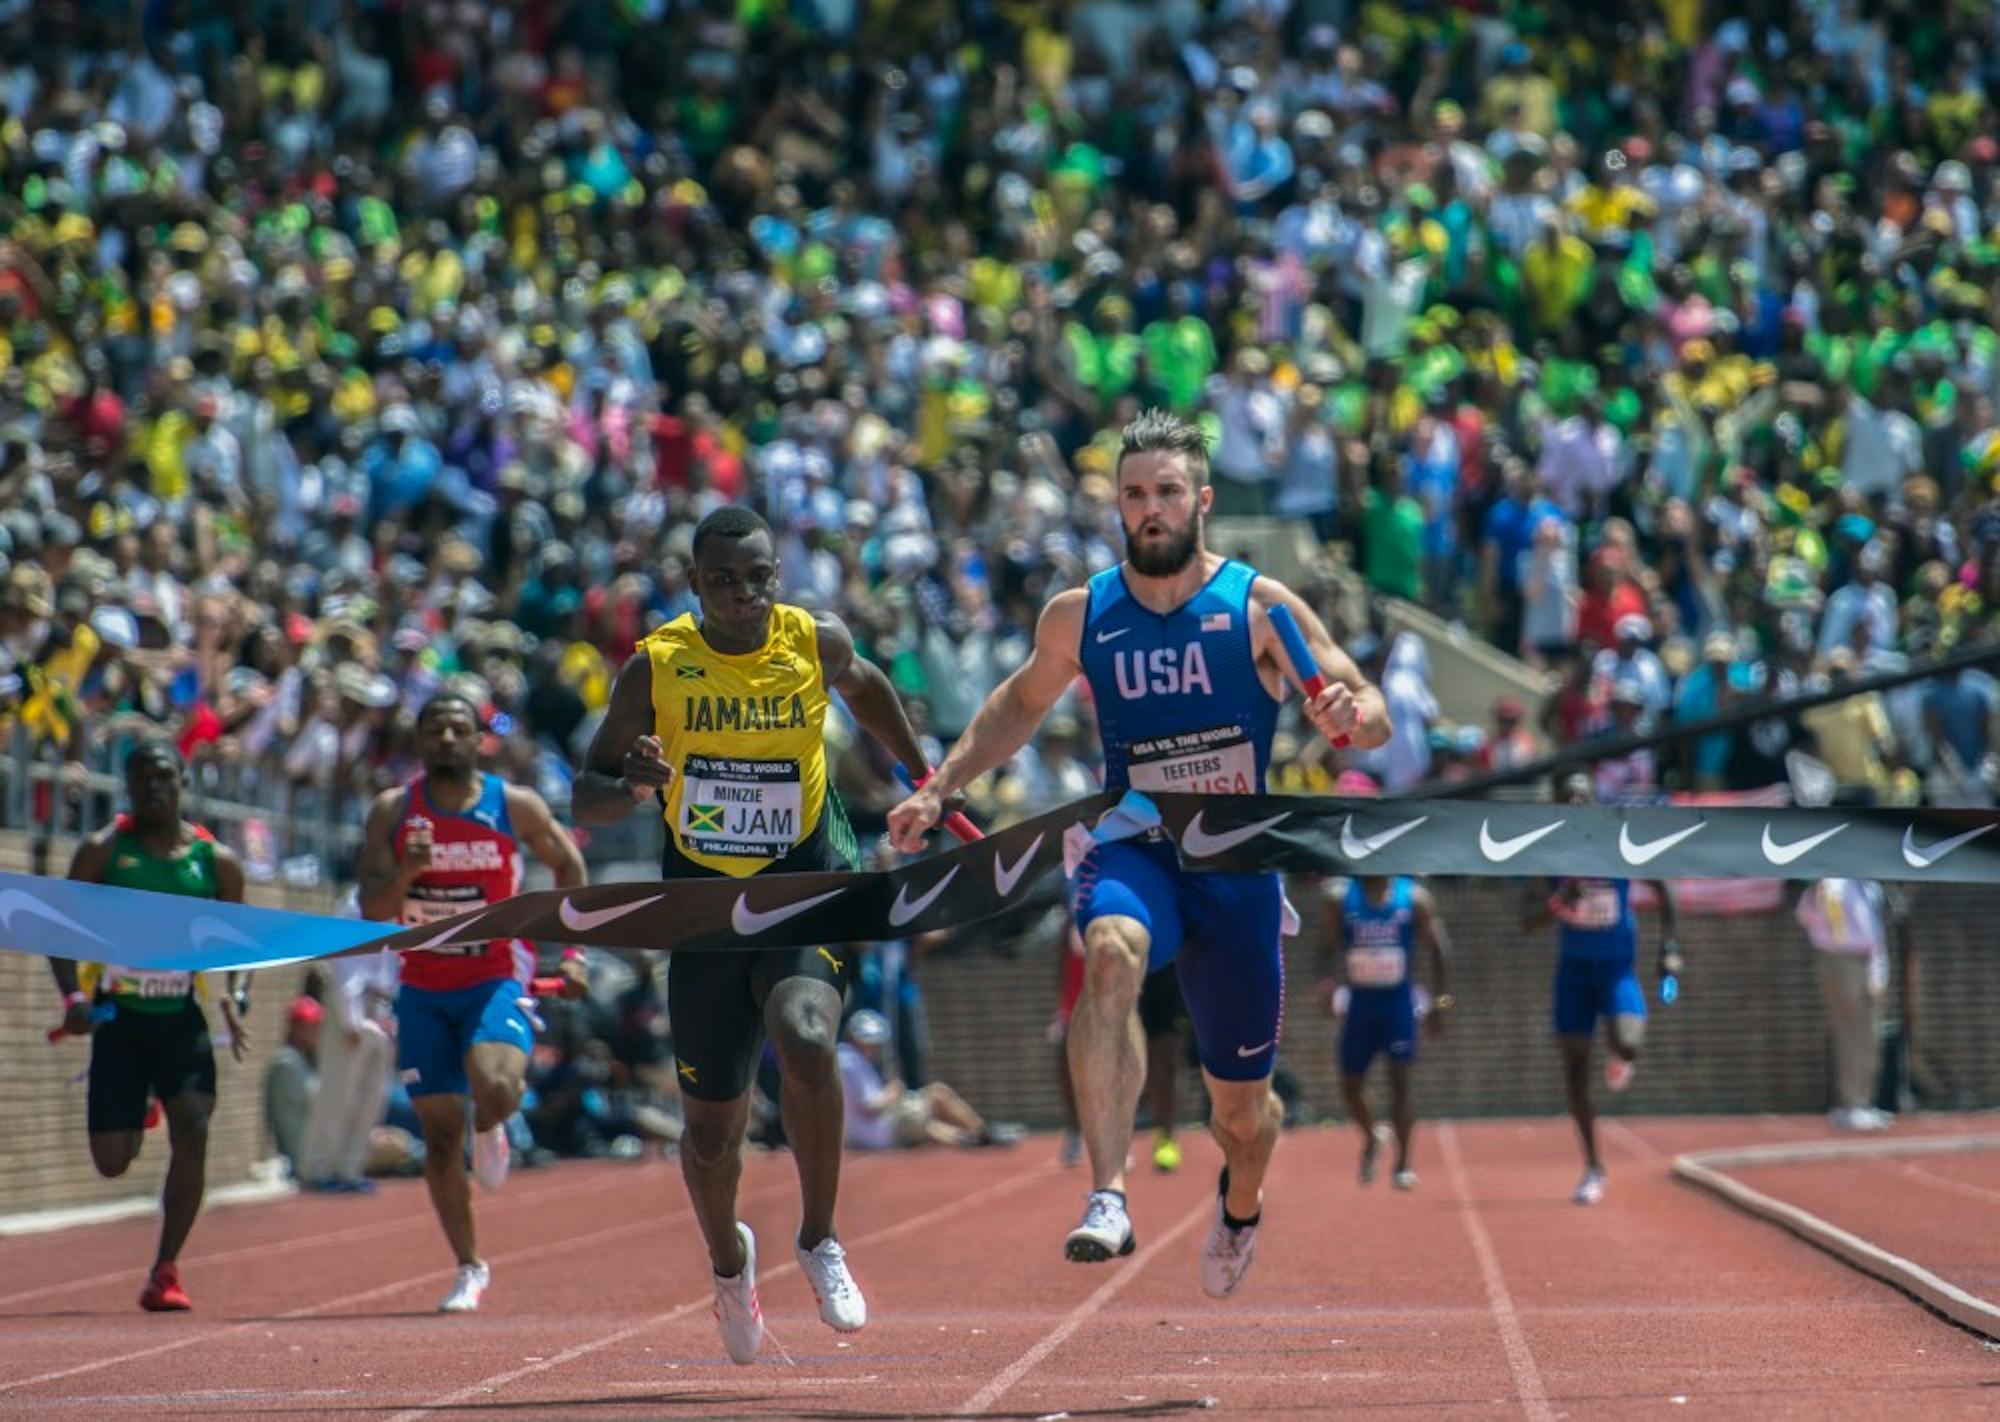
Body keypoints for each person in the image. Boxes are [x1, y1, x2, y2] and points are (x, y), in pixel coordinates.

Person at [890, 409, 1390, 1298]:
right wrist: (939, 784)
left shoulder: (1261, 608)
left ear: (1200, 500)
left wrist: (1352, 715)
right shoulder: (1082, 613)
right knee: (1110, 951)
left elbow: (1365, 702)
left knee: (1241, 1115)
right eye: (1132, 495)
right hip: (1138, 847)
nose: (1149, 509)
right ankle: (1108, 1195)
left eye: (1165, 492)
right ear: (1117, 507)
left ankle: (1241, 1207)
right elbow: (1018, 701)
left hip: (1235, 873)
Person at [572, 504, 948, 1364]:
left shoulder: (811, 641)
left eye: (759, 578)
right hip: (703, 913)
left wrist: (925, 774)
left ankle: (819, 1239)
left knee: (808, 1037)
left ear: (777, 576)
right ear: (696, 585)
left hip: (802, 889)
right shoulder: (657, 667)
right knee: (711, 1141)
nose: (745, 595)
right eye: (725, 581)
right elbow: (585, 796)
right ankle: (730, 1263)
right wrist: (629, 784)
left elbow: (869, 688)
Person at [356, 692, 588, 1313]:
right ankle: (468, 1266)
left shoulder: (513, 804)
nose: (448, 739)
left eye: (460, 728)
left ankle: (493, 1124)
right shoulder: (391, 811)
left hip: (493, 973)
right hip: (423, 985)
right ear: (420, 741)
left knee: (496, 1086)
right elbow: (373, 910)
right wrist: (408, 871)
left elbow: (569, 867)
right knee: (436, 1134)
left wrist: (572, 957)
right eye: (435, 729)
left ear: (478, 738)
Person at [47, 741, 250, 1311]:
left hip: (180, 1017)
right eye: (141, 777)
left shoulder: (216, 862)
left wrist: (236, 995)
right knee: (112, 1163)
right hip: (121, 1018)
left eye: (164, 776)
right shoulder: (103, 852)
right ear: (127, 787)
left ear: (183, 781)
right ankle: (139, 1106)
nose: (153, 787)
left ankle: (165, 1269)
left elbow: (243, 946)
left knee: (196, 1127)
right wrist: (72, 998)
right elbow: (54, 929)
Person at [1523, 768, 1683, 1206]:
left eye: (1582, 797)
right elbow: (1527, 919)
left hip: (1615, 967)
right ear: (1556, 802)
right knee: (1575, 1072)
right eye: (1567, 797)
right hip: (1573, 972)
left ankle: (1618, 1054)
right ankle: (1593, 1166)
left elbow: (1664, 888)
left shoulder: (1617, 843)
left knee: (1628, 1045)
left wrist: (1669, 949)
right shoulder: (1546, 852)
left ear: (1593, 802)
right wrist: (1560, 901)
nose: (1575, 805)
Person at [1329, 874, 1452, 1190]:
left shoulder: (1414, 898)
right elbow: (1325, 947)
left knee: (1400, 1081)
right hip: (1360, 1004)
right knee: (1350, 1083)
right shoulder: (1341, 897)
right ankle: (1372, 1134)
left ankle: (1403, 1164)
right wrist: (1324, 983)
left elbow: (1439, 949)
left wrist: (1441, 1002)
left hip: (1397, 1003)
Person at [1795, 878, 1907, 1130]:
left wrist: (1878, 968)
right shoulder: (1830, 883)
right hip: (1841, 958)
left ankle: (1863, 1101)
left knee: (1870, 1034)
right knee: (1849, 1031)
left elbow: (1873, 928)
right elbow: (1807, 917)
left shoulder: (1869, 886)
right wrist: (1816, 895)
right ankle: (1849, 1104)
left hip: (1869, 959)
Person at [837, 1010, 992, 1149]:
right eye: (872, 1042)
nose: (876, 1047)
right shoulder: (850, 1062)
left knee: (931, 1110)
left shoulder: (850, 1059)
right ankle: (976, 1135)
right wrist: (892, 1093)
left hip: (876, 1128)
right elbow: (870, 1107)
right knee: (931, 1105)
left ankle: (971, 1136)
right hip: (877, 1132)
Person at [266, 995, 322, 1176]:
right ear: (297, 1028)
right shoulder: (287, 1064)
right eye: (313, 1027)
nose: (317, 1033)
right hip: (308, 1157)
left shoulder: (304, 1061)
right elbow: (292, 1123)